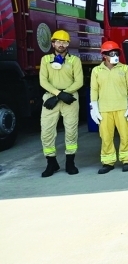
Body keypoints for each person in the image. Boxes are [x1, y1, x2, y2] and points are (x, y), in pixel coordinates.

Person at [38, 30, 83, 177]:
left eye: (64, 42)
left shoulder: (74, 60)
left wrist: (64, 94)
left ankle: (70, 163)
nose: (61, 44)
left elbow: (79, 81)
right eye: (58, 41)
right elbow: (43, 81)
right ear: (53, 43)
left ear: (68, 44)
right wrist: (58, 95)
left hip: (70, 98)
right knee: (47, 131)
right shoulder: (45, 60)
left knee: (71, 131)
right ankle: (51, 163)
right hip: (51, 97)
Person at [90, 41, 128, 174]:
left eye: (116, 53)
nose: (115, 56)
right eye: (111, 53)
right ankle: (108, 162)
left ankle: (126, 159)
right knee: (106, 137)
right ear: (104, 55)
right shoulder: (96, 71)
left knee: (125, 135)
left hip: (122, 108)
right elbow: (94, 90)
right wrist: (94, 107)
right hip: (104, 109)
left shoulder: (125, 68)